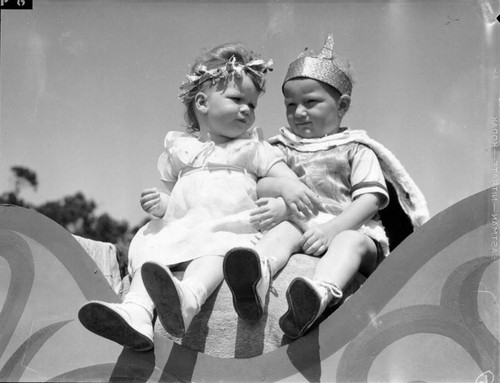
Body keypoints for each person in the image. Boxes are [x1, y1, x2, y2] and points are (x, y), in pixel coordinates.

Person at [78, 42, 319, 351]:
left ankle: (188, 298)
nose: (247, 109)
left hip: (227, 226)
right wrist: (161, 204)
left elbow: (289, 184)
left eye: (252, 104)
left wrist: (284, 197)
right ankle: (135, 313)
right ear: (203, 103)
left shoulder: (254, 149)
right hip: (183, 227)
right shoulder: (182, 150)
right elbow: (175, 199)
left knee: (216, 252)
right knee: (154, 258)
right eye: (236, 99)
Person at [223, 35, 429, 339]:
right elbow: (258, 183)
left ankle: (318, 294)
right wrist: (282, 191)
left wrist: (333, 229)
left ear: (341, 105)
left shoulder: (355, 149)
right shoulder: (281, 148)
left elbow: (371, 199)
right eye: (290, 104)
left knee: (351, 242)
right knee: (283, 231)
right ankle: (256, 277)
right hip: (302, 226)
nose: (298, 112)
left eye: (311, 102)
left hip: (351, 228)